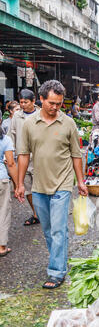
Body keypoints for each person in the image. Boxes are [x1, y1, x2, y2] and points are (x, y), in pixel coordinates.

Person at [16, 80, 88, 289]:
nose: (56, 107)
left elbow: (76, 155)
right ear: (41, 99)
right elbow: (23, 155)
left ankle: (56, 271)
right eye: (52, 103)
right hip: (39, 185)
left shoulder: (68, 123)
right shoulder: (29, 124)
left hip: (62, 184)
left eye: (59, 103)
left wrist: (80, 181)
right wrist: (20, 184)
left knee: (58, 229)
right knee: (47, 230)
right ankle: (60, 259)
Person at [8, 88, 40, 226]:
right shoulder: (17, 116)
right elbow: (11, 134)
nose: (23, 105)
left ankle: (45, 213)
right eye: (21, 102)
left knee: (41, 188)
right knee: (27, 188)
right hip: (22, 157)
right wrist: (9, 154)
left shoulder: (41, 113)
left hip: (39, 157)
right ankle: (36, 214)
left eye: (26, 102)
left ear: (33, 101)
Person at [0, 125, 18, 257]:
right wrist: (18, 184)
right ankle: (1, 246)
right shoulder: (5, 139)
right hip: (1, 180)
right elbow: (11, 164)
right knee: (3, 212)